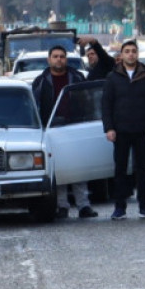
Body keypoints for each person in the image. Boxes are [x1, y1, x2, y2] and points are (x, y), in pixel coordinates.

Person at [32, 45, 97, 218]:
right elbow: (35, 106)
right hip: (52, 130)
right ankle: (62, 205)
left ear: (66, 59)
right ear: (49, 59)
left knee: (79, 167)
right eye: (55, 56)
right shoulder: (41, 81)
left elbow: (88, 101)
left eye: (62, 56)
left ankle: (84, 205)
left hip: (75, 127)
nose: (59, 59)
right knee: (58, 168)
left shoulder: (77, 77)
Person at [101, 40, 145, 219]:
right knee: (120, 170)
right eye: (127, 51)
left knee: (143, 170)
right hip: (120, 131)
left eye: (134, 51)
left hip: (143, 130)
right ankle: (120, 208)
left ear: (137, 54)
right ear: (121, 55)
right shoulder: (112, 77)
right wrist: (109, 128)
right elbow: (106, 105)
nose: (131, 54)